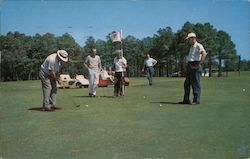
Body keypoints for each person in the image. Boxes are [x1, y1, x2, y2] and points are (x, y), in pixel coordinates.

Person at [179, 32, 207, 105]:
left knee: (195, 83)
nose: (188, 41)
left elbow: (204, 54)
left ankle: (196, 100)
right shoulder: (191, 47)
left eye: (189, 39)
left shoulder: (198, 45)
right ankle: (186, 100)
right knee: (187, 83)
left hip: (196, 64)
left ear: (193, 38)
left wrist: (199, 64)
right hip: (190, 65)